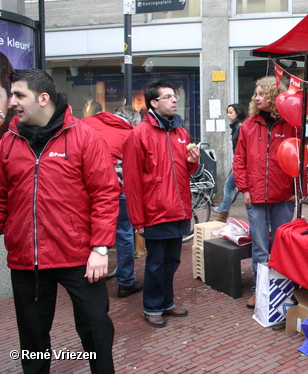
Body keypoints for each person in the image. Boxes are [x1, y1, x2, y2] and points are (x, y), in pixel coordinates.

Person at [0, 68, 120, 373]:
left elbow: (105, 194)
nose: (12, 101)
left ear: (42, 98)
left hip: (79, 256)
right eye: (11, 94)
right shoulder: (8, 142)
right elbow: (2, 197)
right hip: (28, 259)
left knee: (96, 331)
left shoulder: (84, 137)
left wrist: (101, 247)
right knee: (33, 340)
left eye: (19, 94)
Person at [122, 80, 200, 328]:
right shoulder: (139, 134)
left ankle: (167, 302)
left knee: (173, 261)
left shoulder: (181, 132)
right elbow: (132, 182)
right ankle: (152, 307)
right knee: (155, 263)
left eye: (174, 95)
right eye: (167, 96)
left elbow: (187, 172)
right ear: (153, 103)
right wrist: (138, 220)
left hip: (179, 210)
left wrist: (193, 161)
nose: (174, 99)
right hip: (155, 212)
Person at [233, 76, 304, 309]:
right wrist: (244, 188)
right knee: (260, 247)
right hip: (256, 195)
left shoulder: (292, 125)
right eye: (256, 93)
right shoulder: (248, 125)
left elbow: (300, 157)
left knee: (280, 246)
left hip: (284, 195)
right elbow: (240, 159)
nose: (256, 97)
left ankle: (280, 289)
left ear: (274, 96)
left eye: (262, 93)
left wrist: (297, 187)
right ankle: (259, 290)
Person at [83, 106, 144, 298]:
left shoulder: (88, 124)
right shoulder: (131, 135)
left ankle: (89, 274)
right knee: (124, 234)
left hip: (87, 190)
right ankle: (125, 282)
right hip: (117, 190)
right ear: (133, 122)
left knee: (88, 231)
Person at [214, 103, 247, 223]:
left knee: (229, 187)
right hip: (241, 163)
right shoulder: (239, 126)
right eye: (227, 112)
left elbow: (241, 148)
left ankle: (222, 216)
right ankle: (223, 210)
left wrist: (237, 165)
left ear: (237, 113)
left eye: (230, 112)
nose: (228, 115)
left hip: (241, 164)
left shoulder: (239, 127)